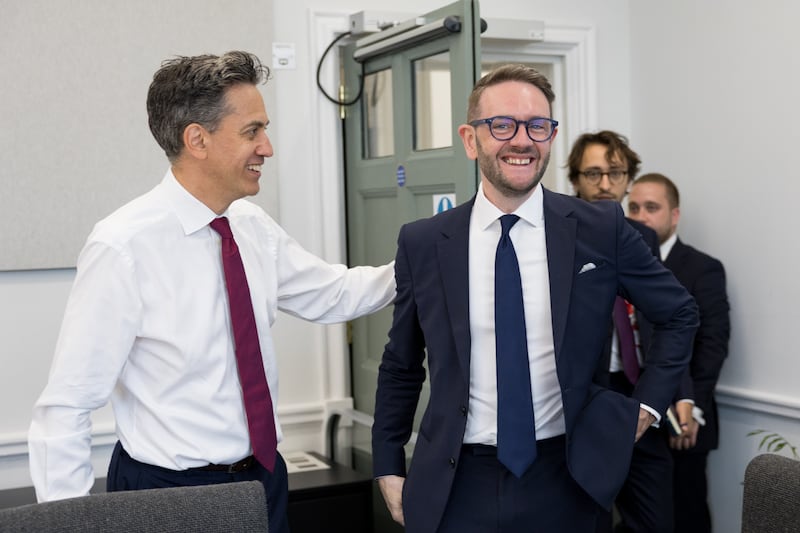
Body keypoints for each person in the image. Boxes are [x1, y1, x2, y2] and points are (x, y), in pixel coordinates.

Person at [27, 51, 395, 533]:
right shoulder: (122, 246)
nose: (268, 147)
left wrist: (427, 261)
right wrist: (67, 526)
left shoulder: (251, 226)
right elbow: (67, 407)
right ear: (196, 139)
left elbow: (335, 293)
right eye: (252, 131)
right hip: (167, 495)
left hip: (263, 480)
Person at [371, 64, 698, 533]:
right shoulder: (425, 242)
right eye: (502, 125)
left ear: (550, 135)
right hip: (456, 481)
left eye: (537, 126)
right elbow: (401, 363)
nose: (522, 140)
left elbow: (679, 313)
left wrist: (645, 408)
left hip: (568, 478)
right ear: (470, 139)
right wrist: (386, 463)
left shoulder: (599, 229)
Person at [567, 130, 693, 533]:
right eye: (593, 173)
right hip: (585, 402)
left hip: (642, 396)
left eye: (616, 173)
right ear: (575, 179)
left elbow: (666, 317)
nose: (606, 184)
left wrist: (679, 392)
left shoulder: (642, 237)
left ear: (628, 178)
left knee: (656, 522)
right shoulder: (557, 233)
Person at [629, 173, 730, 533]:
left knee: (687, 516)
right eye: (634, 207)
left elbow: (712, 344)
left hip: (685, 420)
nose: (641, 216)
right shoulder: (624, 264)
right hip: (639, 413)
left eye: (652, 208)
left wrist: (692, 410)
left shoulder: (702, 268)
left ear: (674, 215)